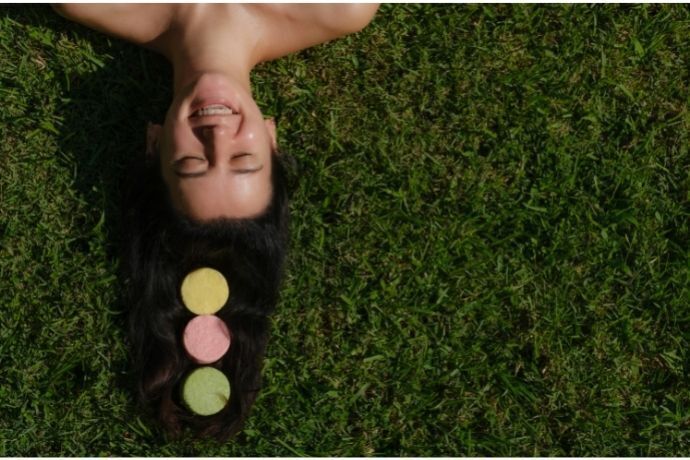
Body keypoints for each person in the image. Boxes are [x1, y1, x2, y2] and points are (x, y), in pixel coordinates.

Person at [53, 4, 380, 440]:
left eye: (191, 162)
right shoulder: (339, 9)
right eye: (244, 160)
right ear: (271, 138)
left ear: (153, 145)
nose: (217, 135)